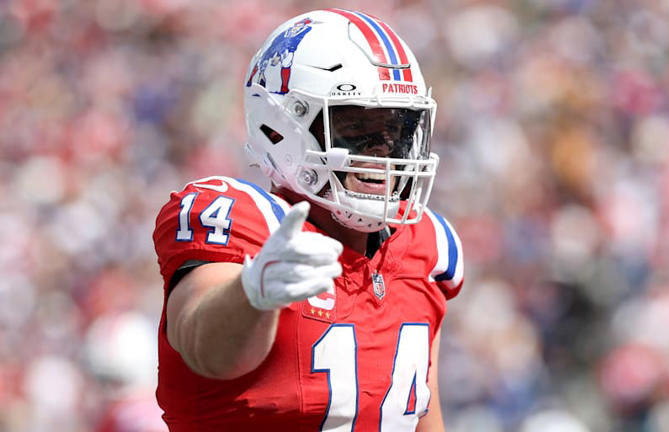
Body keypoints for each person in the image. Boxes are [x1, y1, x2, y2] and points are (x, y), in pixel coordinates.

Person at [152, 8, 464, 431]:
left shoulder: (428, 248)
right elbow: (204, 346)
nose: (383, 152)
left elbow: (423, 418)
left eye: (395, 130)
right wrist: (251, 294)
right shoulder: (243, 221)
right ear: (281, 126)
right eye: (357, 126)